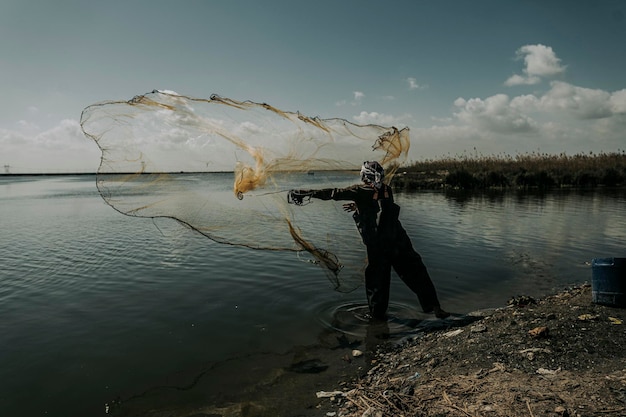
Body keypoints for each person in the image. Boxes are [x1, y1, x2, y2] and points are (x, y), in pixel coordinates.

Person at [288, 161, 449, 320]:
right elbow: (380, 207)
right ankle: (435, 308)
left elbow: (332, 193)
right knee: (416, 271)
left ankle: (377, 321)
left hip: (379, 246)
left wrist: (305, 192)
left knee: (377, 282)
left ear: (364, 176)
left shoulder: (359, 190)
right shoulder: (387, 189)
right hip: (399, 240)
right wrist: (358, 206)